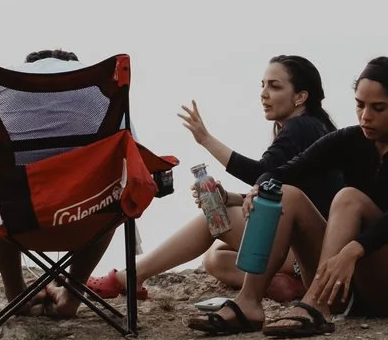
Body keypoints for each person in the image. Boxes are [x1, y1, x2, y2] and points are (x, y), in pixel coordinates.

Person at [187, 58, 388, 339]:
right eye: (360, 105)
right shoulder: (350, 140)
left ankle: (315, 307)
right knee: (287, 194)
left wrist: (352, 251)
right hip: (348, 283)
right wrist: (260, 187)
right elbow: (286, 170)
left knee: (349, 198)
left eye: (378, 108)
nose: (365, 117)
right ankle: (249, 303)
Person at [89, 54, 335, 300]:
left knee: (216, 217)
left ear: (300, 97)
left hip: (306, 250)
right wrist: (229, 197)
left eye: (275, 86)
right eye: (263, 85)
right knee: (216, 258)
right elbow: (275, 189)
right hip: (304, 248)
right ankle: (286, 286)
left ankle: (128, 278)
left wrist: (206, 139)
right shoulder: (312, 127)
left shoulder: (301, 127)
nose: (264, 93)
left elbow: (260, 173)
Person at [0, 48, 115, 319]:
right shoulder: (102, 91)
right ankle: (71, 296)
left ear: (29, 67)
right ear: (74, 65)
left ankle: (17, 293)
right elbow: (131, 150)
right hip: (85, 217)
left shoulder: (0, 91)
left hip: (17, 220)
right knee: (115, 195)